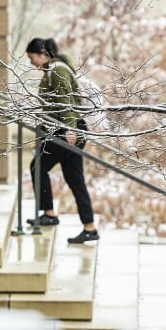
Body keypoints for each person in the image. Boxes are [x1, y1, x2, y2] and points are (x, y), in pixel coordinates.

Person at [25, 37, 98, 243]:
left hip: (67, 131)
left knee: (37, 167)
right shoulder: (53, 70)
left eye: (32, 58)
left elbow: (66, 101)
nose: (32, 64)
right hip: (68, 129)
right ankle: (89, 227)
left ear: (42, 53)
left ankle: (49, 214)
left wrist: (70, 130)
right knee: (75, 180)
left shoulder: (57, 70)